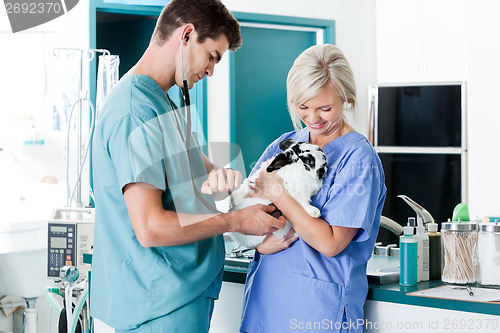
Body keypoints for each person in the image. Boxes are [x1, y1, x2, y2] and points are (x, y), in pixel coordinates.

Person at [90, 1, 285, 332]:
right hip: (160, 305)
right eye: (212, 56)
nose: (210, 71)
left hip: (183, 295)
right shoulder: (135, 111)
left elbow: (198, 167)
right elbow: (150, 226)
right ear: (187, 34)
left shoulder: (166, 101)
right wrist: (237, 221)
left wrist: (230, 181)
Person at [239, 44, 387, 333]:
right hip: (265, 305)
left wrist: (280, 194)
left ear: (346, 98)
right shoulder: (285, 143)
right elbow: (248, 210)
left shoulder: (359, 160)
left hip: (318, 313)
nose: (313, 118)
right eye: (303, 107)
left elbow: (330, 243)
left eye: (325, 108)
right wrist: (259, 245)